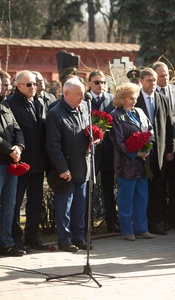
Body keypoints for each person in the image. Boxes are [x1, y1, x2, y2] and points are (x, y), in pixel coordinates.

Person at [45, 78, 91, 252]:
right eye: (79, 94)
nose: (82, 97)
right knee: (64, 207)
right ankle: (64, 240)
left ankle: (78, 238)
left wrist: (96, 137)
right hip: (65, 170)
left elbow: (86, 130)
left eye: (83, 93)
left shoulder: (85, 107)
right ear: (66, 94)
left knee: (80, 206)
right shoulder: (55, 114)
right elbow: (52, 145)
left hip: (82, 166)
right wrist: (62, 168)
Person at [4, 70, 48, 252]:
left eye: (35, 84)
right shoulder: (9, 104)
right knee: (15, 203)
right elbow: (13, 131)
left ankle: (32, 236)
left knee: (35, 201)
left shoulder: (38, 102)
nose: (33, 87)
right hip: (19, 162)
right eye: (28, 84)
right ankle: (16, 238)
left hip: (37, 161)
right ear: (18, 86)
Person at [110, 83, 155, 241]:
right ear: (122, 99)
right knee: (126, 198)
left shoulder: (140, 112)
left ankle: (142, 228)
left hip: (142, 163)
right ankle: (127, 230)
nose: (134, 101)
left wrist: (148, 146)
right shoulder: (115, 115)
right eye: (131, 98)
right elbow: (119, 142)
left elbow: (150, 130)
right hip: (127, 163)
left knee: (142, 196)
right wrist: (136, 153)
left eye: (135, 98)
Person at [135, 68, 175, 235]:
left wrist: (170, 149)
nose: (152, 83)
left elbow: (169, 125)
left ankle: (155, 221)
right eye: (148, 80)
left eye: (154, 80)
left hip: (159, 152)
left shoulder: (163, 99)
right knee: (143, 189)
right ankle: (140, 223)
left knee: (158, 188)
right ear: (141, 81)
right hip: (139, 153)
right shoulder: (135, 99)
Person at [152, 62, 175, 231]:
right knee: (159, 186)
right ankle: (160, 218)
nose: (165, 78)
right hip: (159, 149)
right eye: (161, 75)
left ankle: (174, 218)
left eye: (166, 74)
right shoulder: (151, 94)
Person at [85, 70, 119, 233]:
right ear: (89, 83)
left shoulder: (111, 100)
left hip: (108, 150)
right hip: (90, 151)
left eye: (103, 82)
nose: (101, 85)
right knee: (88, 187)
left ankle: (111, 221)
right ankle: (86, 223)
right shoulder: (85, 99)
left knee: (108, 188)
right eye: (97, 82)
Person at [0, 100, 25, 256]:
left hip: (10, 162)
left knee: (9, 204)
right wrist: (10, 149)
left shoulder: (6, 106)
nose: (6, 87)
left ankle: (6, 243)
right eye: (3, 84)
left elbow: (17, 129)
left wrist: (19, 146)